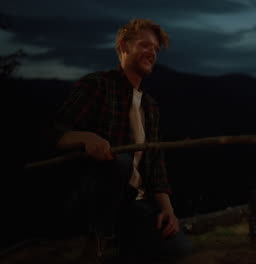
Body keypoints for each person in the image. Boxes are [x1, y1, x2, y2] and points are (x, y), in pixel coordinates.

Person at [47, 18, 192, 263]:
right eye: (145, 46)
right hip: (93, 199)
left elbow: (156, 166)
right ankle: (98, 239)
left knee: (179, 248)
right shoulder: (97, 85)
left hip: (134, 203)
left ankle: (126, 239)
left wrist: (168, 210)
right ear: (124, 46)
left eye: (155, 49)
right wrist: (85, 138)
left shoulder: (150, 107)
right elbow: (51, 132)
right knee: (119, 162)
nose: (152, 53)